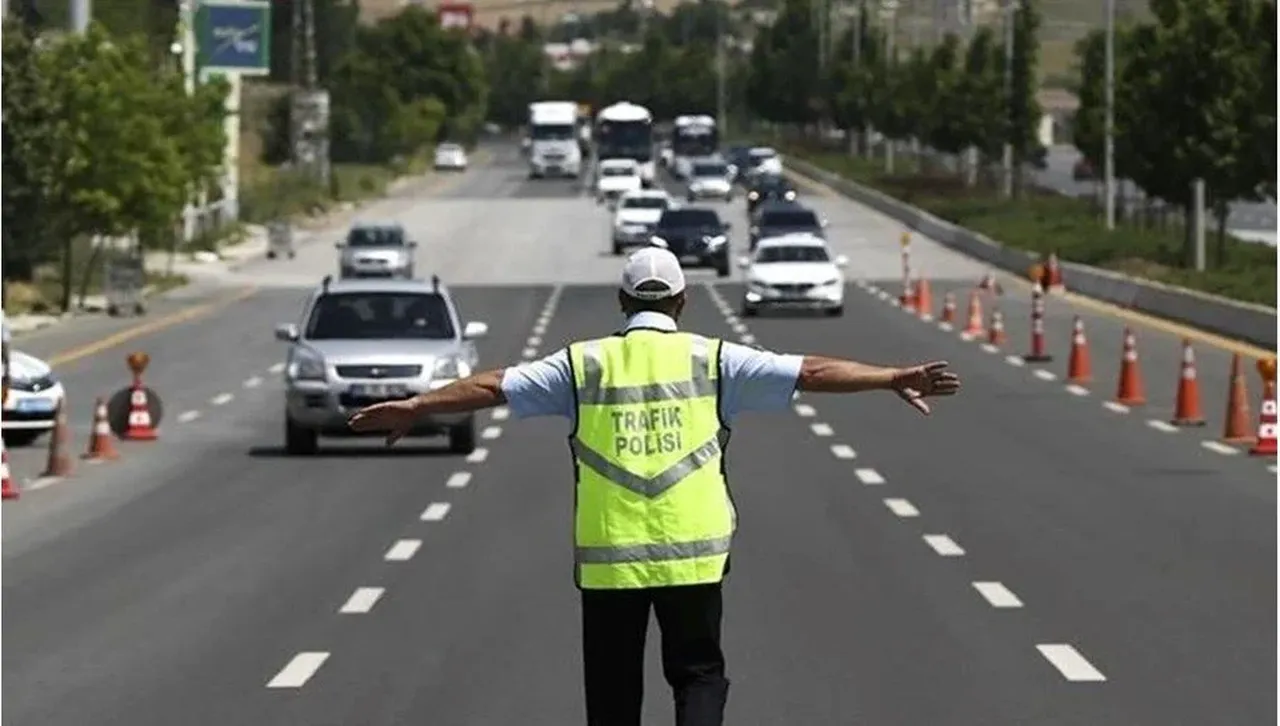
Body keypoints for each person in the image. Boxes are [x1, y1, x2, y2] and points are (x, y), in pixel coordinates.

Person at [347, 247, 960, 726]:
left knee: (613, 693)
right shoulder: (716, 359)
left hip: (610, 561)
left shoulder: (581, 364)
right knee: (698, 676)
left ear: (620, 300)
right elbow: (812, 371)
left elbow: (493, 385)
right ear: (683, 301)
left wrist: (418, 406)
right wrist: (890, 376)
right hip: (694, 554)